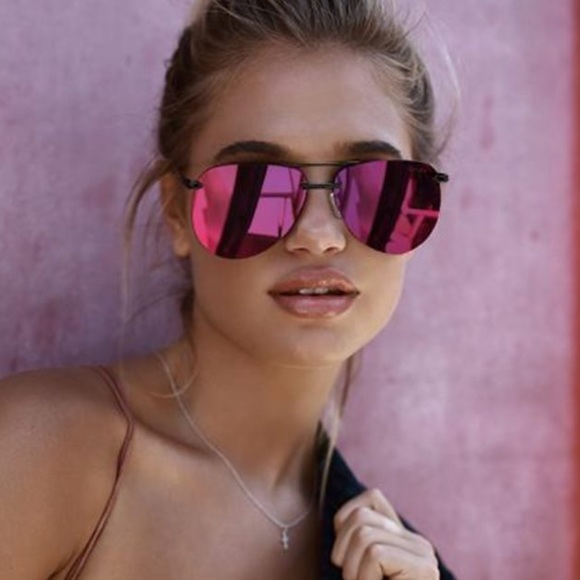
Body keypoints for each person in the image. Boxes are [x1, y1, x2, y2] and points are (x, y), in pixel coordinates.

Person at [0, 0, 457, 578]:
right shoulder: (49, 453)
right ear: (176, 211)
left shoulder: (392, 560)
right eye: (255, 188)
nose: (318, 237)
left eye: (374, 187)